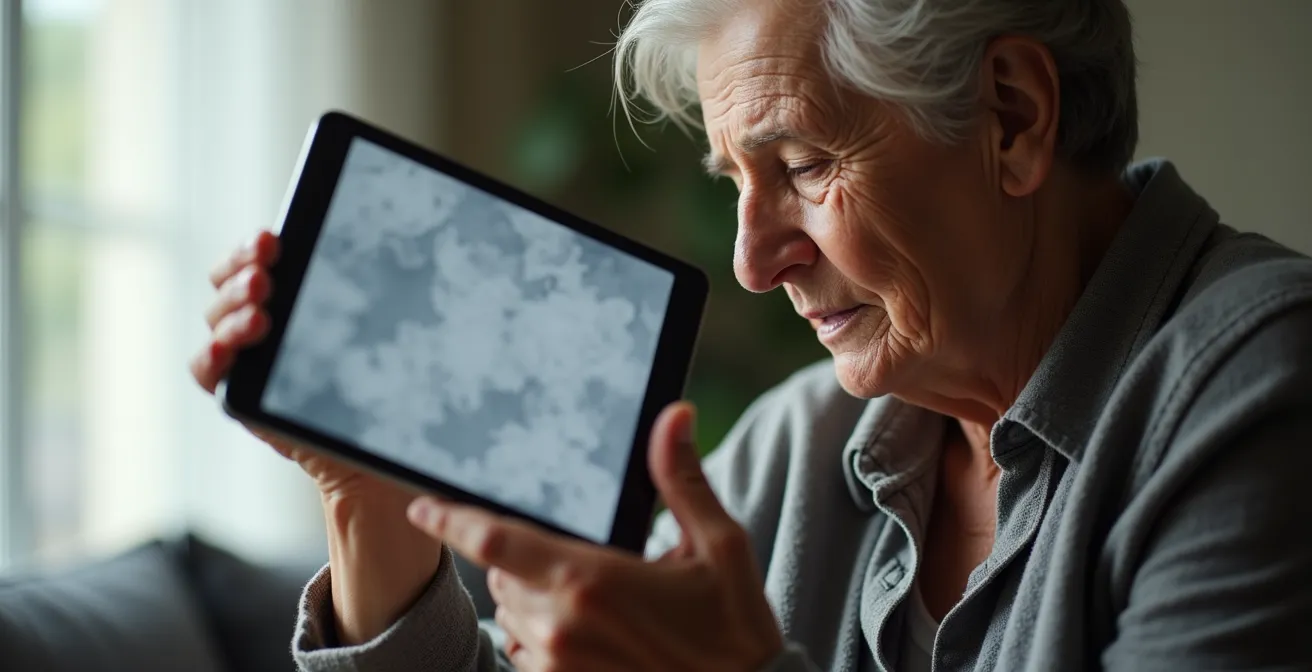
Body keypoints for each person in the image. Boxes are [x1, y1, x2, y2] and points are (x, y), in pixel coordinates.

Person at [191, 0, 1312, 669]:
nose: (750, 258)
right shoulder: (799, 442)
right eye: (736, 182)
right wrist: (371, 511)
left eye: (805, 166)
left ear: (1011, 119)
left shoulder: (1262, 386)